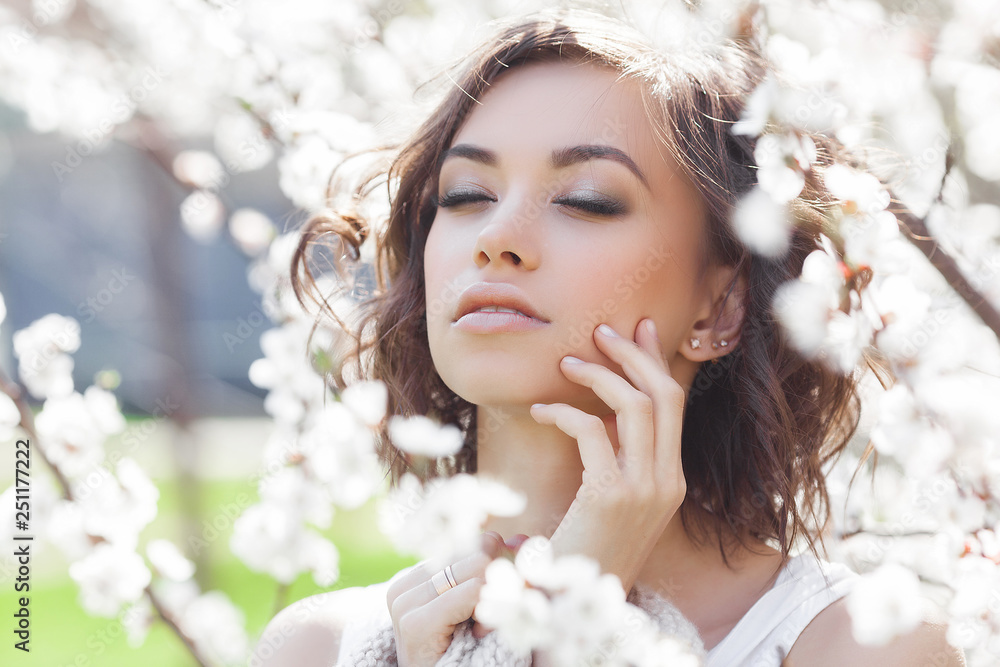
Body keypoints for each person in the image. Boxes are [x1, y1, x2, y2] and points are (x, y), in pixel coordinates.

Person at [256, 7, 966, 666]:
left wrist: (577, 618)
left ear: (720, 306)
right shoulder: (320, 647)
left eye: (586, 201)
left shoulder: (861, 645)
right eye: (466, 194)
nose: (497, 236)